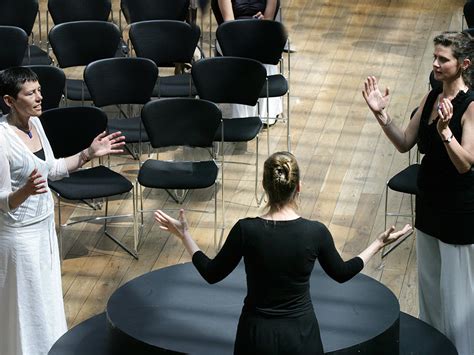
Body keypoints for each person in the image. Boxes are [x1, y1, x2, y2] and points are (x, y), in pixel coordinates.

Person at [154, 151, 411, 354]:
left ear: (264, 186)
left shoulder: (246, 230)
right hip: (301, 335)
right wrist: (377, 243)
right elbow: (342, 273)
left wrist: (184, 234)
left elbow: (211, 273)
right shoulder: (315, 232)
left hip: (255, 336)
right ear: (298, 187)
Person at [362, 31, 474, 355]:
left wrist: (444, 134)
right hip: (429, 206)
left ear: (463, 64)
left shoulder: (470, 107)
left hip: (459, 215)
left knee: (458, 304)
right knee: (431, 298)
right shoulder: (431, 98)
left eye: (443, 59)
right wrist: (381, 115)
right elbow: (404, 142)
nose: (436, 64)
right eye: (435, 58)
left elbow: (466, 164)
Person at [0, 67, 126, 355]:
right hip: (19, 237)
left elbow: (52, 169)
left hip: (43, 228)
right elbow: (1, 201)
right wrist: (26, 191)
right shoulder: (2, 138)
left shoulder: (37, 124)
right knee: (25, 307)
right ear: (9, 100)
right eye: (31, 93)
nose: (40, 97)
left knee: (44, 302)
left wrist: (88, 154)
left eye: (39, 90)